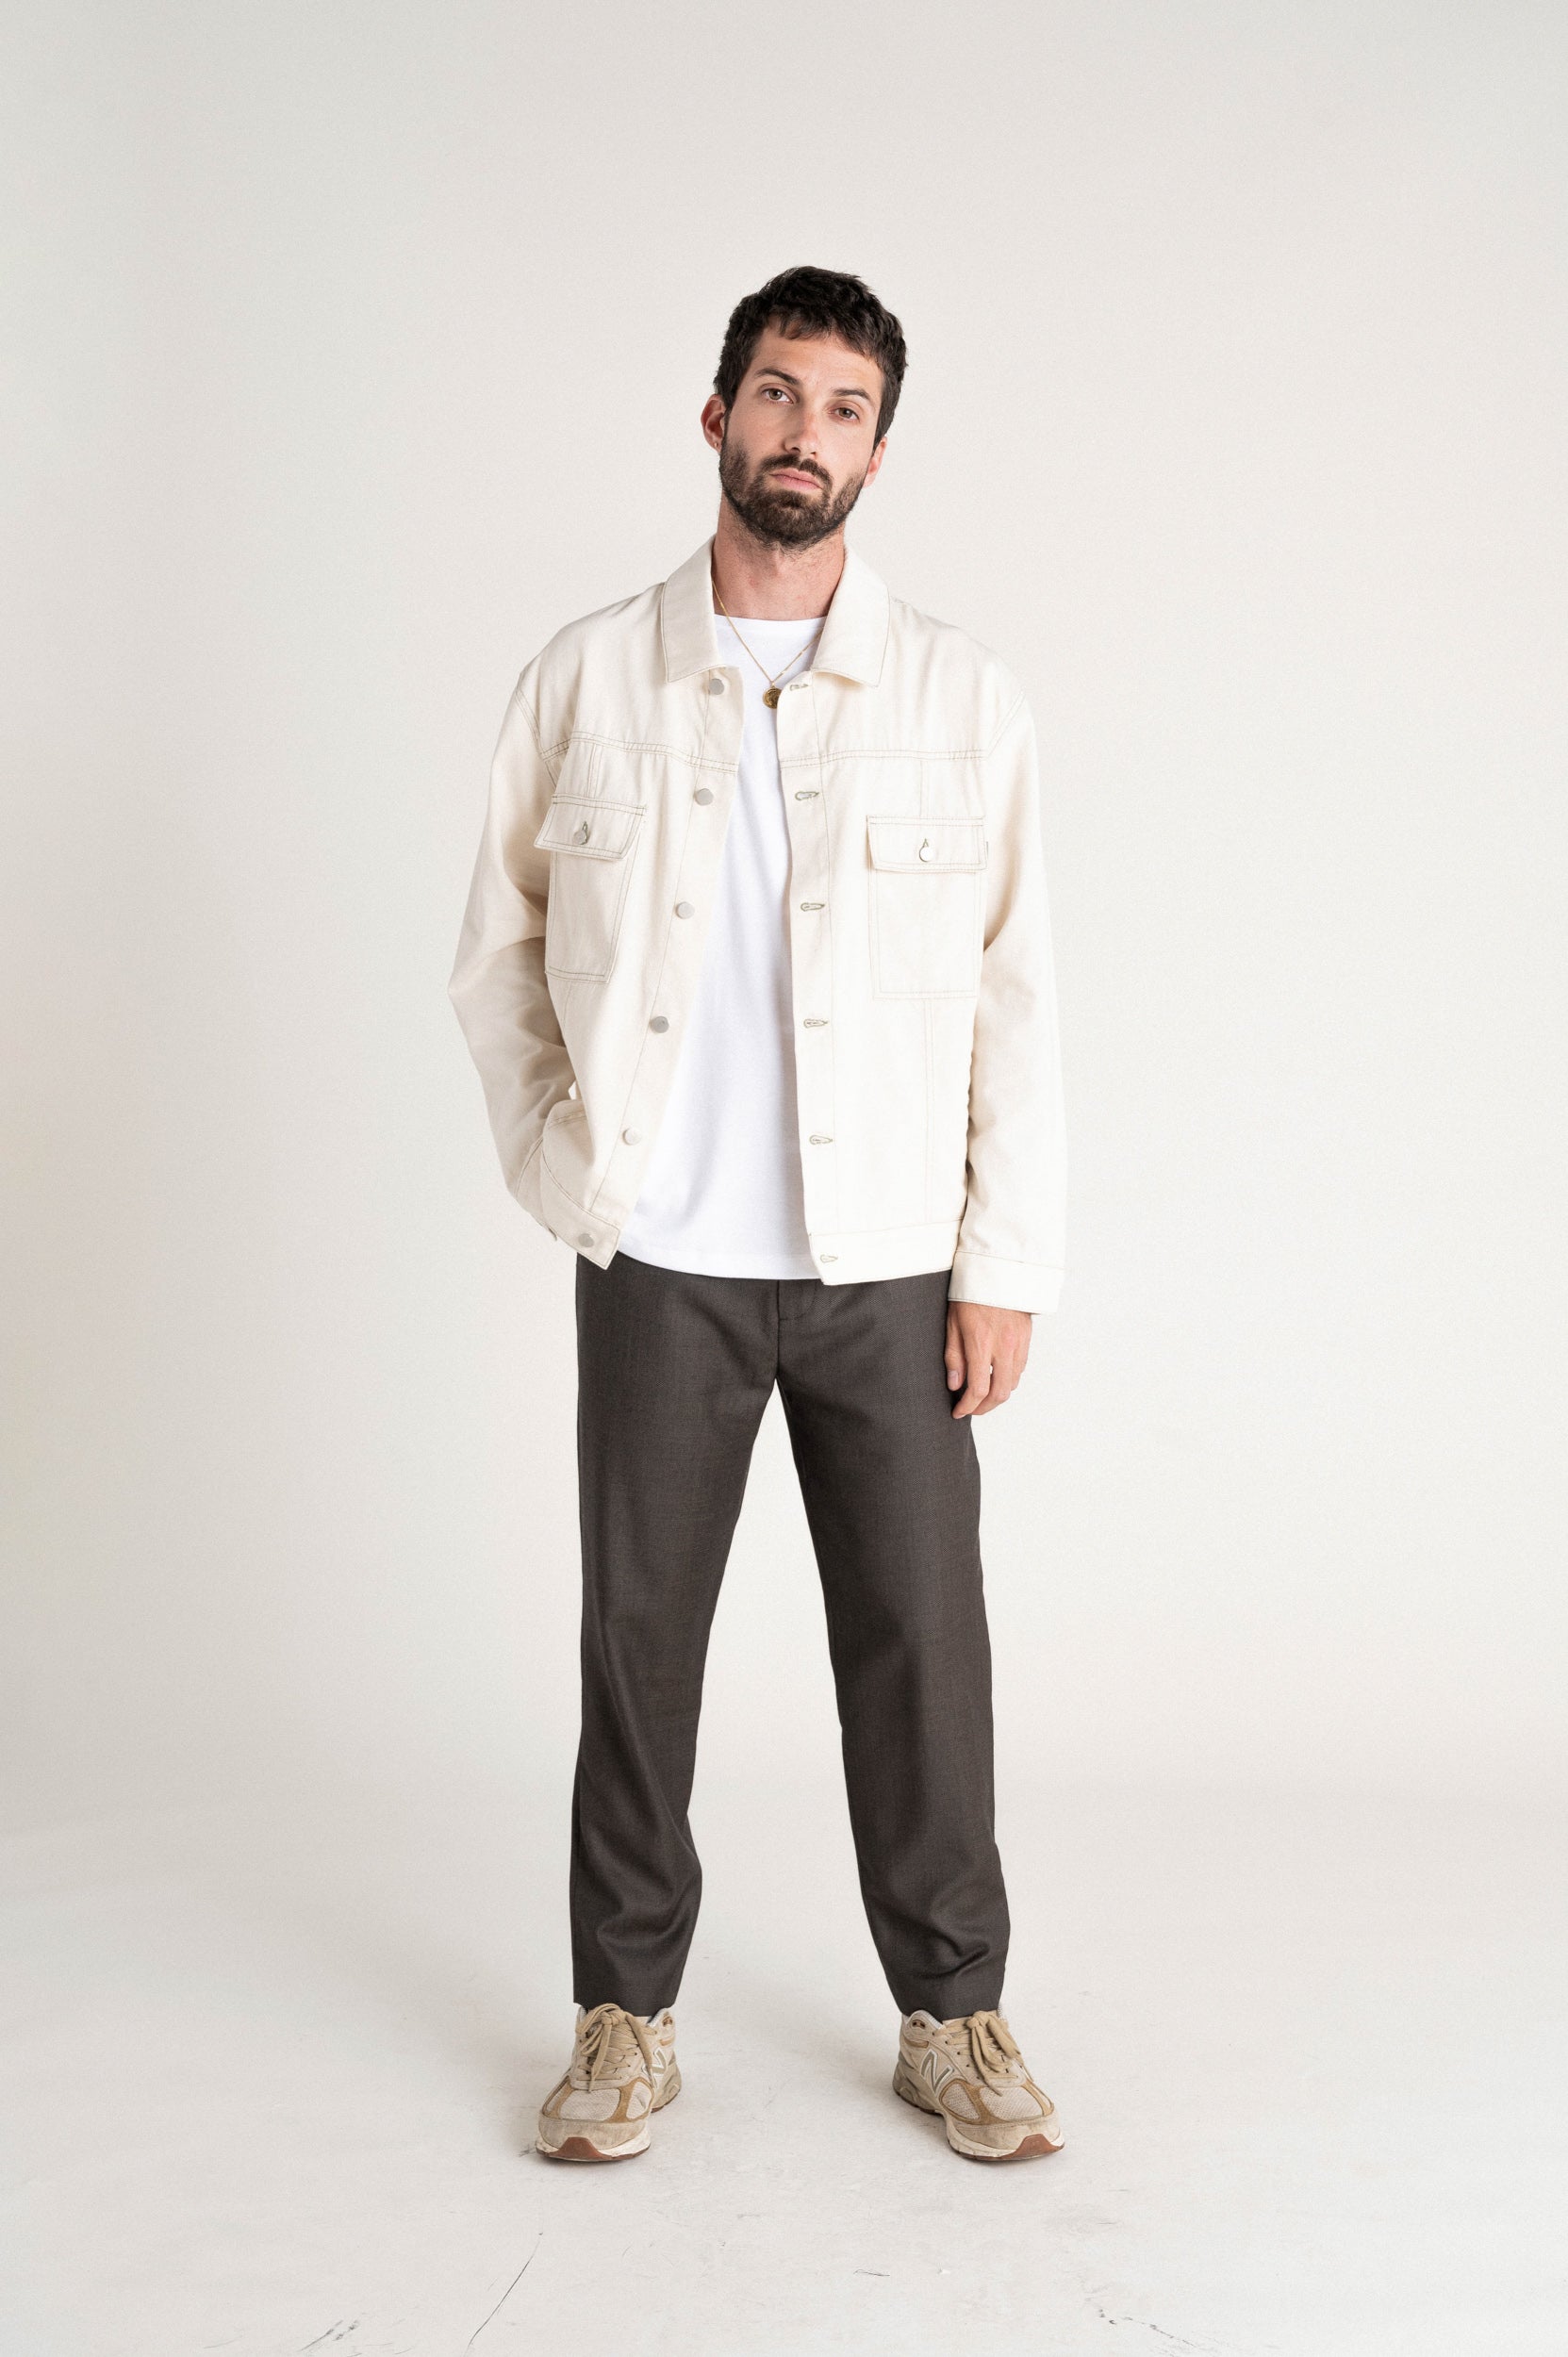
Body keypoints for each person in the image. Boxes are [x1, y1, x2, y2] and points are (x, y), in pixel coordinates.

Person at [448, 265, 1067, 2165]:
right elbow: (498, 954)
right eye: (779, 393)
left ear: (880, 447)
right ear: (716, 415)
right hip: (664, 1262)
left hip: (888, 1268)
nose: (806, 434)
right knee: (637, 1648)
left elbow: (1019, 996)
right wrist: (571, 1166)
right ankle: (622, 2015)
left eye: (845, 407)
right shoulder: (588, 677)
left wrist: (1001, 1263)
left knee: (922, 1645)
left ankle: (952, 2014)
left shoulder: (962, 696)